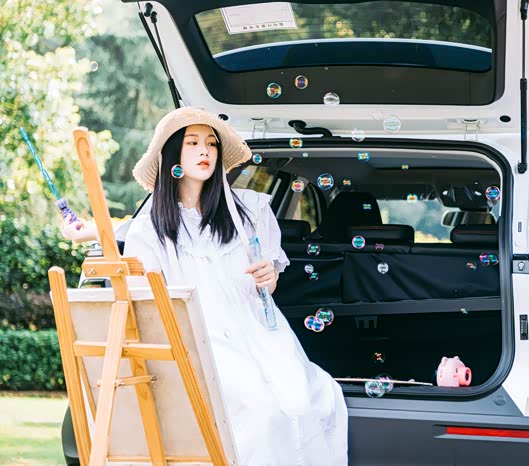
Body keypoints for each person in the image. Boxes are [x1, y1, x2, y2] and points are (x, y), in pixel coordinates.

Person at [61, 106, 348, 466]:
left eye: (211, 144)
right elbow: (147, 304)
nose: (205, 151)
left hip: (258, 333)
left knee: (306, 404)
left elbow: (267, 285)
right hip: (198, 339)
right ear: (172, 156)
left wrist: (269, 277)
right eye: (193, 143)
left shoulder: (250, 211)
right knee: (262, 414)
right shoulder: (149, 228)